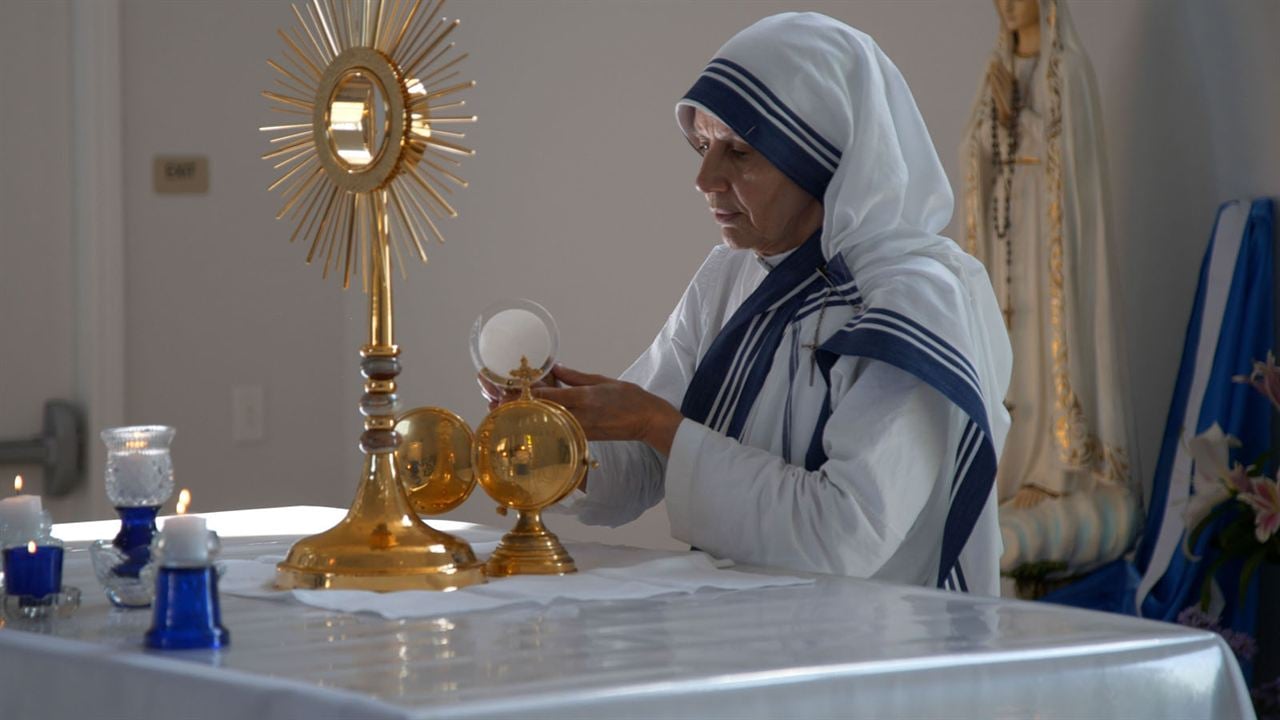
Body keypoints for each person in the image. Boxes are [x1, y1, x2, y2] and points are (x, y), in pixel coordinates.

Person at [489, 13, 1012, 594]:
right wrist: (553, 429)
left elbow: (840, 535)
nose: (704, 177)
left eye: (738, 151)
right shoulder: (730, 276)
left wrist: (656, 424)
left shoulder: (917, 304)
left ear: (823, 159)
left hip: (872, 659)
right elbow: (641, 469)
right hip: (742, 639)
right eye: (703, 145)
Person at [961, 0, 1139, 578]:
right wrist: (989, 124)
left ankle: (1055, 473)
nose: (1008, 8)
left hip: (1050, 239)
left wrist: (1020, 124)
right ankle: (1014, 471)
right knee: (1010, 355)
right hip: (1006, 230)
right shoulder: (999, 70)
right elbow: (977, 155)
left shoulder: (1069, 72)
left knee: (1046, 354)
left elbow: (1071, 159)